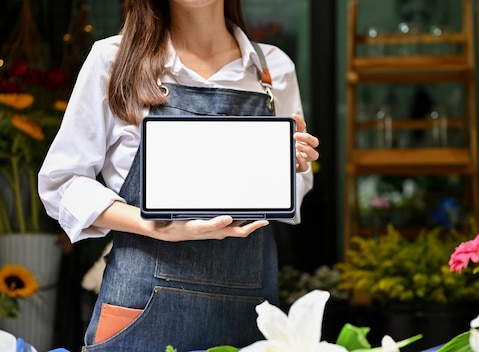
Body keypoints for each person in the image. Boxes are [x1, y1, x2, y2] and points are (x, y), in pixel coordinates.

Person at [37, 0, 319, 351]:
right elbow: (62, 183)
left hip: (249, 313)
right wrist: (158, 225)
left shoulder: (273, 70)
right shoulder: (113, 59)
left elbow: (290, 197)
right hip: (139, 309)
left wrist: (293, 165)